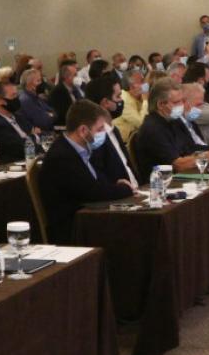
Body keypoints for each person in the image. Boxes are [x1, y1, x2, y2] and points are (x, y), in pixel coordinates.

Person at [38, 100, 135, 243]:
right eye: (100, 129)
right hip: (73, 229)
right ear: (83, 130)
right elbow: (94, 192)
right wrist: (124, 188)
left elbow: (96, 183)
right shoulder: (62, 157)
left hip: (89, 219)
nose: (103, 133)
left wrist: (115, 185)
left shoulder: (82, 149)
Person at [134, 79, 209, 181]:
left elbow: (192, 149)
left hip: (183, 177)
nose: (182, 105)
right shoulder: (152, 129)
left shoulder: (174, 120)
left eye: (182, 101)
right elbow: (179, 165)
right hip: (162, 183)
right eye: (177, 102)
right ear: (161, 105)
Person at [0, 81, 38, 163]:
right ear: (0, 100)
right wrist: (35, 136)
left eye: (17, 95)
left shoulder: (18, 116)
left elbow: (32, 137)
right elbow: (22, 147)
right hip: (14, 165)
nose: (17, 99)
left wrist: (31, 137)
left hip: (31, 159)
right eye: (13, 95)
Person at [17, 68, 54, 132]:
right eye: (38, 81)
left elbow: (53, 112)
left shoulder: (36, 97)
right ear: (29, 84)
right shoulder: (26, 100)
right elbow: (43, 123)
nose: (41, 83)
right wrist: (48, 115)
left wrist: (49, 115)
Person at [117, 69, 149, 142]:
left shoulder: (137, 95)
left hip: (137, 136)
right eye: (142, 81)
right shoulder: (124, 99)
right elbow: (141, 124)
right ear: (131, 87)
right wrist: (145, 100)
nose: (146, 84)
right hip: (126, 142)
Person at [49, 61, 83, 128]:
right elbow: (62, 114)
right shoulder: (57, 92)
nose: (77, 77)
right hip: (65, 124)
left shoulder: (75, 88)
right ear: (66, 76)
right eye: (75, 75)